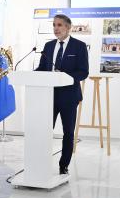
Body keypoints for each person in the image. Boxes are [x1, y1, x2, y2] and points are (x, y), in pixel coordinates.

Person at [36, 14, 89, 175]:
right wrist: (29, 74)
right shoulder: (48, 46)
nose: (56, 28)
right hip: (49, 96)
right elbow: (42, 69)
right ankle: (41, 161)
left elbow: (83, 72)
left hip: (69, 96)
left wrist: (64, 77)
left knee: (68, 132)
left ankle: (63, 165)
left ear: (68, 27)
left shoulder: (79, 46)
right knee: (44, 130)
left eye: (59, 25)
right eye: (54, 25)